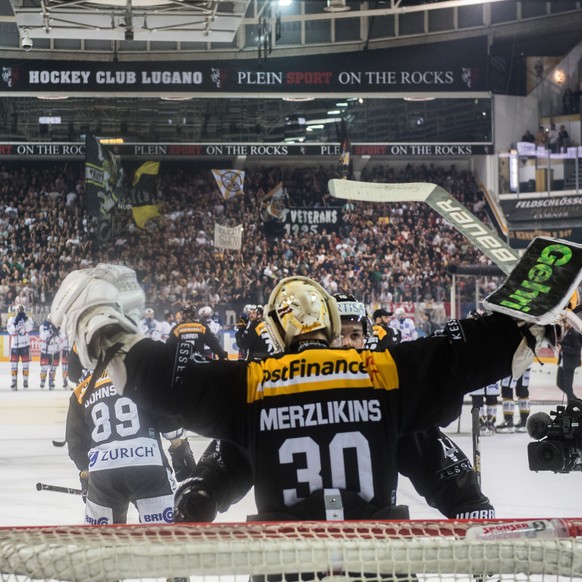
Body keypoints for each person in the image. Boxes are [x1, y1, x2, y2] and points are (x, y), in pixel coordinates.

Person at [51, 267, 536, 524]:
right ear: (327, 320)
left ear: (275, 332)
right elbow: (464, 358)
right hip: (380, 555)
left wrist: (103, 329)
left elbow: (165, 383)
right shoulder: (384, 373)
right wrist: (531, 314)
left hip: (285, 557)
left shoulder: (254, 384)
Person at [334, 293, 494, 519]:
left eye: (354, 335)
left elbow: (434, 460)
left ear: (365, 338)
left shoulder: (385, 402)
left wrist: (471, 505)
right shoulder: (386, 403)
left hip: (357, 542)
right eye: (337, 335)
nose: (346, 343)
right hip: (303, 543)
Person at [65, 346, 197, 526]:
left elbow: (76, 444)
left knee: (103, 543)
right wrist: (180, 446)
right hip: (148, 467)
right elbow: (167, 419)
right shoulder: (141, 378)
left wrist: (86, 473)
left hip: (104, 473)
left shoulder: (80, 391)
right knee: (164, 537)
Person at [6, 305, 33, 390]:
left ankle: (25, 381)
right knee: (13, 365)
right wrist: (15, 324)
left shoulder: (28, 318)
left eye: (21, 309)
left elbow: (30, 328)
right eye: (18, 309)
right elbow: (10, 331)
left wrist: (25, 321)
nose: (19, 311)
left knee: (26, 365)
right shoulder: (11, 319)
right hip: (15, 345)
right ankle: (14, 381)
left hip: (25, 344)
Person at [495, 368, 531, 433]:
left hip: (512, 364)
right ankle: (523, 422)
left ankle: (508, 421)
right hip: (526, 363)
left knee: (507, 389)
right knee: (523, 391)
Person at [556, 319, 582, 402]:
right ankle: (576, 401)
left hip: (570, 364)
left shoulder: (574, 333)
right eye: (563, 322)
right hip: (562, 362)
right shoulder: (565, 331)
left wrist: (562, 348)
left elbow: (576, 350)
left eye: (565, 322)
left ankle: (571, 406)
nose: (563, 324)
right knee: (559, 384)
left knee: (568, 386)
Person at [38, 316, 63, 390]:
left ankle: (51, 381)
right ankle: (42, 380)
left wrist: (56, 333)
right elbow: (42, 337)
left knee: (53, 368)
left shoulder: (58, 328)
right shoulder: (43, 327)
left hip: (55, 349)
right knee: (44, 367)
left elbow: (60, 340)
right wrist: (48, 330)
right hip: (45, 349)